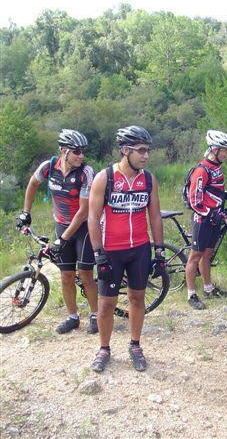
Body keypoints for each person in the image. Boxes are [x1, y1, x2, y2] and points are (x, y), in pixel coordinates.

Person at [88, 125, 165, 373]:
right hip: (112, 249)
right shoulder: (105, 178)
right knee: (106, 303)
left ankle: (135, 345)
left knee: (136, 298)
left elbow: (155, 217)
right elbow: (92, 217)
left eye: (147, 151)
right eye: (141, 151)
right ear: (125, 150)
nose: (146, 155)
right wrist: (98, 252)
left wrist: (160, 251)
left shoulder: (149, 179)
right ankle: (104, 348)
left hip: (140, 249)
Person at [16, 129, 98, 334]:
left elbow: (83, 211)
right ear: (63, 151)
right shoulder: (49, 166)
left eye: (82, 152)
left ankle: (96, 315)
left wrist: (62, 239)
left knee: (86, 274)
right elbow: (32, 184)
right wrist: (26, 212)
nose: (81, 156)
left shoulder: (86, 172)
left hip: (84, 228)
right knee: (66, 275)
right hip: (61, 224)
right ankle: (72, 317)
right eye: (76, 151)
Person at [185, 130, 227, 310]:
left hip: (214, 218)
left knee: (207, 255)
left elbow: (215, 191)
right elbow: (194, 200)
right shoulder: (202, 170)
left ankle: (208, 289)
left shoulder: (216, 167)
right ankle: (191, 295)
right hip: (203, 220)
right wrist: (210, 213)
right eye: (224, 150)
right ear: (214, 149)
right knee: (195, 256)